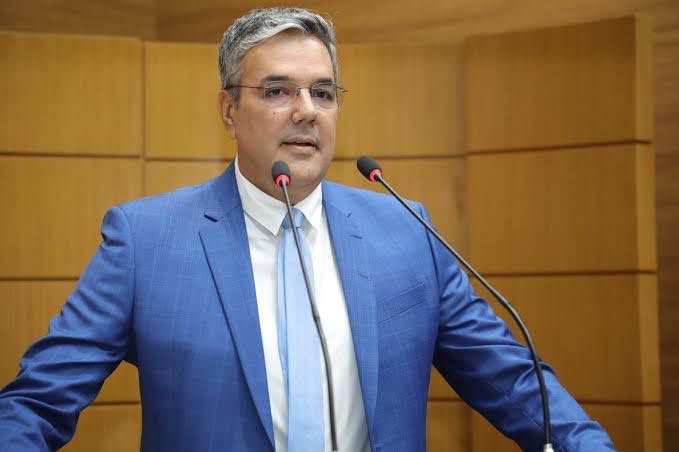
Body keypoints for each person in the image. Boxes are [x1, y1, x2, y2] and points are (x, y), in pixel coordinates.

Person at [0, 7, 614, 452]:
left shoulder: (405, 231)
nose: (306, 111)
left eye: (323, 92)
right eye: (277, 90)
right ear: (228, 110)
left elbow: (512, 381)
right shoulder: (146, 241)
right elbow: (38, 401)